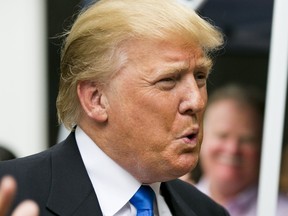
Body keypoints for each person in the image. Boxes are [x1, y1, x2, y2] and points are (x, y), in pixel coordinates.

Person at [0, 0, 229, 215]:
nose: (196, 101)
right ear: (96, 99)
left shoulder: (206, 211)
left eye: (200, 76)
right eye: (169, 80)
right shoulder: (12, 194)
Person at [181, 84, 288, 216]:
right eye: (222, 135)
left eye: (247, 139)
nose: (232, 149)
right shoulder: (173, 203)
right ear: (200, 137)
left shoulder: (280, 211)